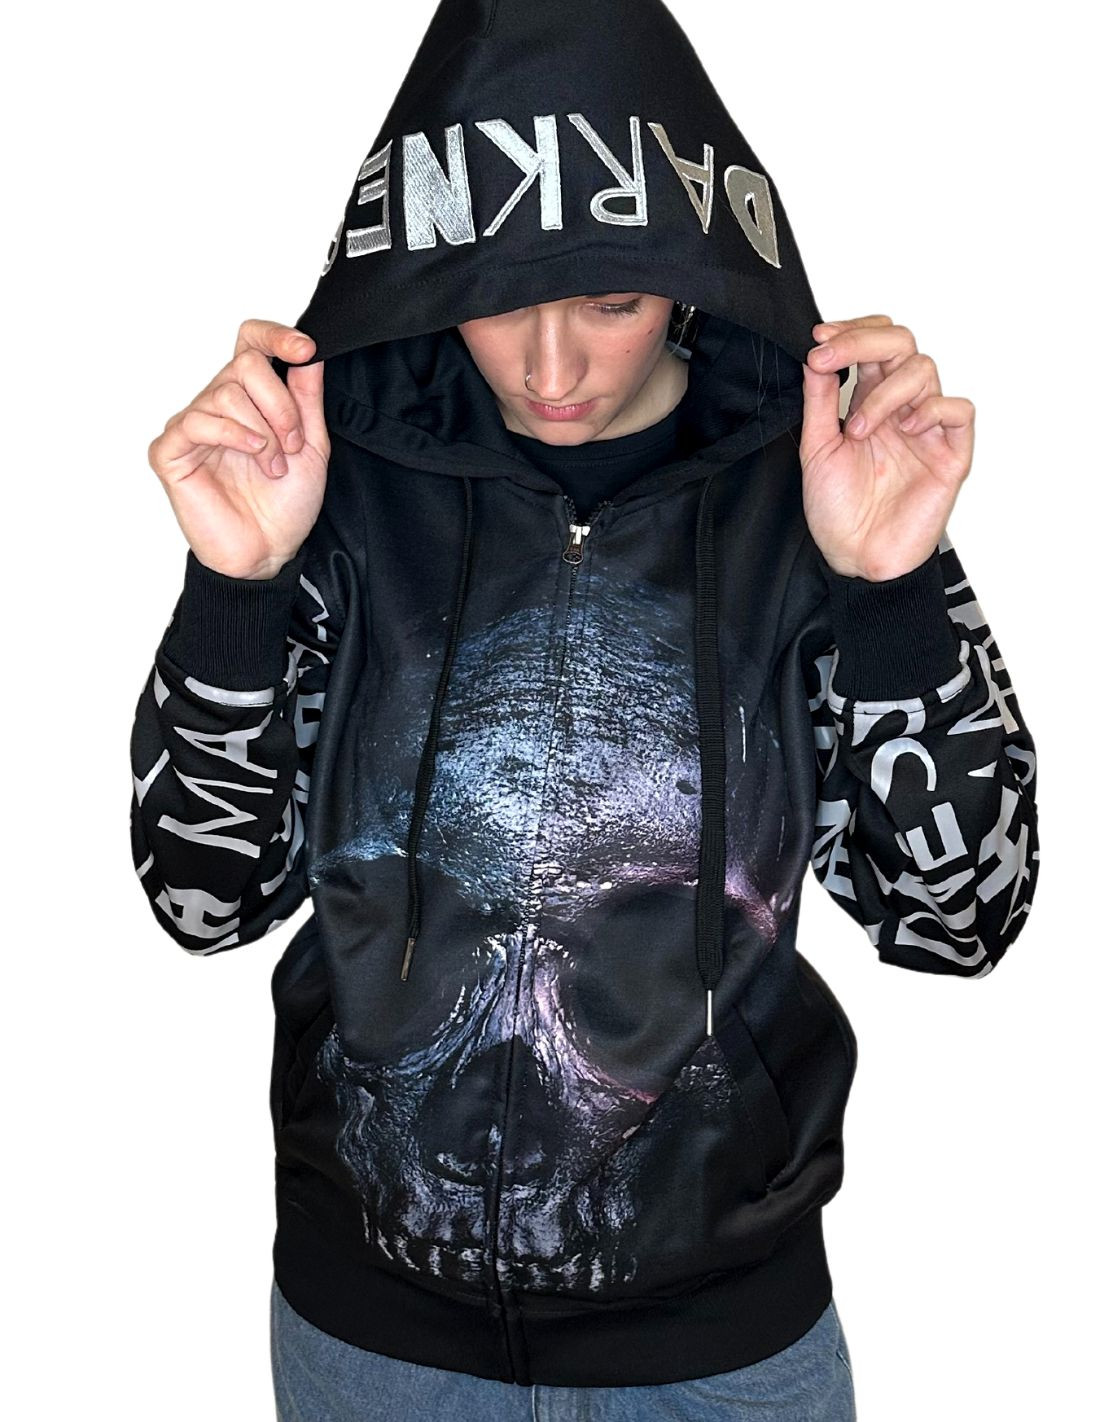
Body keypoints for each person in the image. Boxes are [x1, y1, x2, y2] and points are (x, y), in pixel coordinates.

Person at [129, 1, 1040, 1417]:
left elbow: (960, 919)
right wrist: (236, 591)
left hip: (717, 1349)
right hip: (374, 1342)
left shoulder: (818, 493)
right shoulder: (333, 484)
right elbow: (203, 902)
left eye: (608, 302)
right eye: (501, 299)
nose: (550, 370)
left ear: (690, 276)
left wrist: (893, 592)